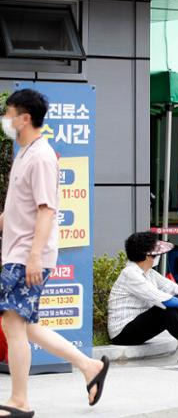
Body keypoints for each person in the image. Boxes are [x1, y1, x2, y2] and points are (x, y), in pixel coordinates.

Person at [0, 89, 109, 416]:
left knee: (12, 323)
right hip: (18, 253)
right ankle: (90, 367)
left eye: (9, 113)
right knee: (23, 325)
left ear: (24, 118)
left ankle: (20, 401)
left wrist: (34, 257)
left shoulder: (42, 156)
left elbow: (47, 210)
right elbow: (20, 208)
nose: (5, 119)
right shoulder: (24, 153)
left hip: (27, 256)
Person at [108, 232, 178, 359]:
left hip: (137, 326)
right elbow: (158, 297)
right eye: (157, 253)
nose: (159, 256)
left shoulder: (148, 272)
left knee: (174, 302)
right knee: (164, 310)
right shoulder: (130, 274)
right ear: (147, 256)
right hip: (123, 334)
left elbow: (172, 287)